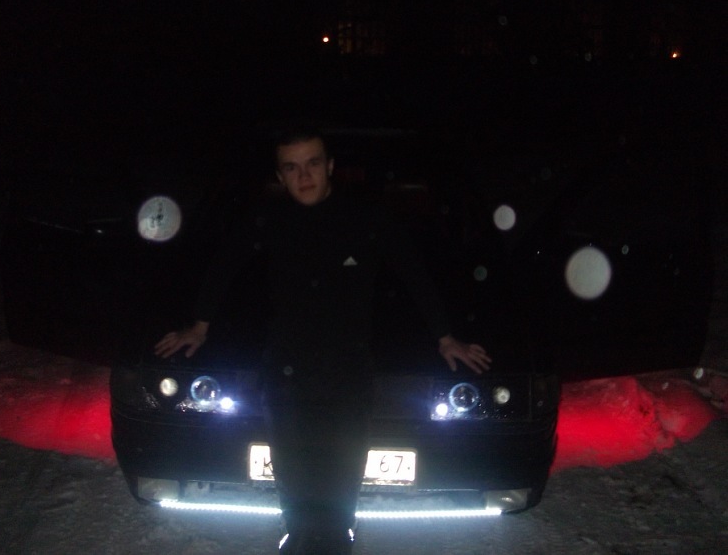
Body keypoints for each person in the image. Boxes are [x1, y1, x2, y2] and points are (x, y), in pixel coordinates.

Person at [154, 126, 490, 554]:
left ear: (330, 166)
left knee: (339, 484)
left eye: (313, 163)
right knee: (294, 482)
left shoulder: (366, 218)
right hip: (286, 376)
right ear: (280, 176)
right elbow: (225, 263)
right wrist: (199, 326)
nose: (304, 176)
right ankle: (298, 538)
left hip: (347, 376)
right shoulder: (269, 219)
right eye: (292, 168)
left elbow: (414, 272)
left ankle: (336, 540)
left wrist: (445, 337)